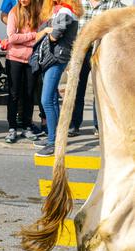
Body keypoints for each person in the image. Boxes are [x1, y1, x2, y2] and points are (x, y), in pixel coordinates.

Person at [68, 0, 125, 137]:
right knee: (76, 89)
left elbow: (118, 25)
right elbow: (70, 27)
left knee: (100, 91)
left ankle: (99, 126)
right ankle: (74, 125)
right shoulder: (79, 2)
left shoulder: (112, 3)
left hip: (102, 50)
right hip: (81, 50)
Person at [34, 0, 83, 156]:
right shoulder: (61, 10)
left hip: (56, 58)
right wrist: (47, 30)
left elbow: (55, 36)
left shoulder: (65, 11)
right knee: (52, 100)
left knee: (47, 100)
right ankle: (53, 137)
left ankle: (52, 143)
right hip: (54, 58)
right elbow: (41, 32)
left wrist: (48, 31)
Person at [4, 0, 43, 143]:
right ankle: (12, 127)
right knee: (14, 94)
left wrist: (27, 39)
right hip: (14, 58)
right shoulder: (13, 13)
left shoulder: (38, 13)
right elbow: (12, 38)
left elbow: (42, 35)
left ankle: (27, 126)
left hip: (32, 60)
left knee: (29, 94)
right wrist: (32, 36)